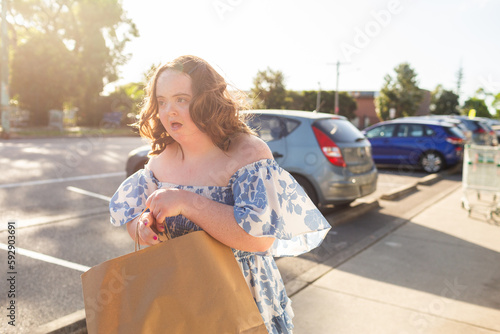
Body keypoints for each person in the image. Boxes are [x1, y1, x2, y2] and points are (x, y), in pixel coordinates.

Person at [109, 55, 331, 333]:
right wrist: (141, 227)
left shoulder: (247, 152)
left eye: (181, 99)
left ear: (207, 100)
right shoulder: (159, 160)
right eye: (162, 101)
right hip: (180, 301)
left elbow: (259, 239)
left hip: (239, 299)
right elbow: (135, 220)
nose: (169, 111)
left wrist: (187, 202)